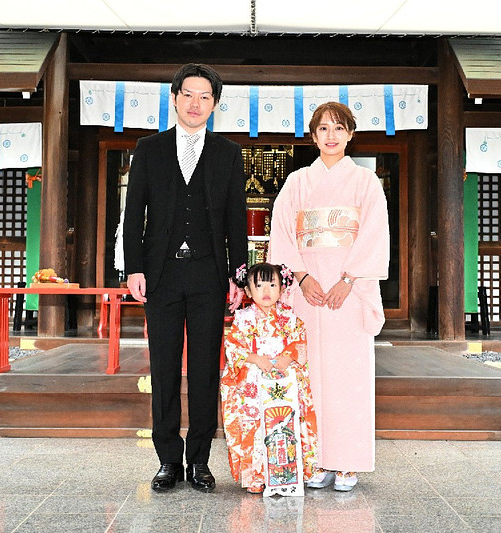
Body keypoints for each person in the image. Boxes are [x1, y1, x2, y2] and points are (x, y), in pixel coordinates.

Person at [122, 63, 248, 493]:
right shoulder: (149, 149)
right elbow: (133, 213)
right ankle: (167, 460)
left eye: (205, 97)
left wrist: (238, 275)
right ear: (174, 98)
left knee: (205, 369)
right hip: (161, 275)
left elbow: (236, 220)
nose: (196, 103)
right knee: (164, 368)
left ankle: (200, 460)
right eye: (188, 94)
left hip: (209, 276)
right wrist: (134, 268)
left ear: (215, 104)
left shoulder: (228, 153)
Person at [268, 102, 389, 492]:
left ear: (350, 134)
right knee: (309, 372)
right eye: (323, 129)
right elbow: (282, 233)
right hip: (308, 291)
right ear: (313, 136)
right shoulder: (297, 182)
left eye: (338, 128)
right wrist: (301, 276)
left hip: (348, 290)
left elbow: (373, 234)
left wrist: (348, 279)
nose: (331, 135)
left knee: (348, 375)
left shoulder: (365, 182)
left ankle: (348, 461)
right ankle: (316, 458)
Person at [220, 262, 318, 495]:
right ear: (248, 290)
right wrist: (254, 358)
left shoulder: (290, 317)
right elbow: (233, 346)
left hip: (284, 380)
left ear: (282, 289)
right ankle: (255, 476)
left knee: (285, 426)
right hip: (254, 383)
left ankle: (288, 473)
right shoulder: (243, 318)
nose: (266, 291)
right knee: (254, 427)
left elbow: (299, 342)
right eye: (259, 286)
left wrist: (288, 357)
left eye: (272, 285)